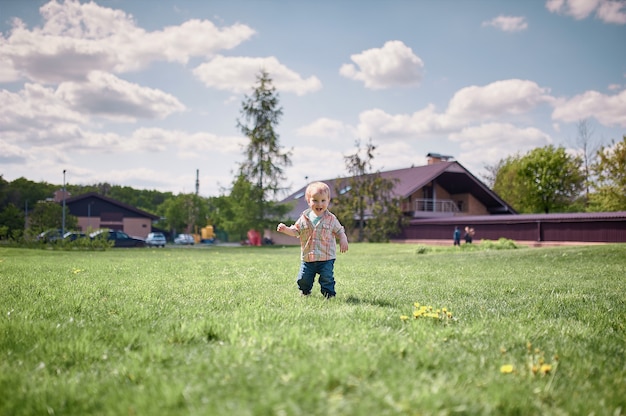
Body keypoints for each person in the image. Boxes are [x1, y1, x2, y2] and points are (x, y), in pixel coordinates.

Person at [277, 182, 349, 298]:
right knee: (303, 278)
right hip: (308, 257)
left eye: (323, 200)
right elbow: (296, 231)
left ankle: (329, 295)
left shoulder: (331, 219)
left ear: (328, 200)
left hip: (326, 257)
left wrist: (343, 239)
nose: (319, 204)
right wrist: (285, 229)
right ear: (308, 200)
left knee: (327, 278)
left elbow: (340, 230)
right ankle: (305, 292)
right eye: (315, 200)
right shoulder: (304, 218)